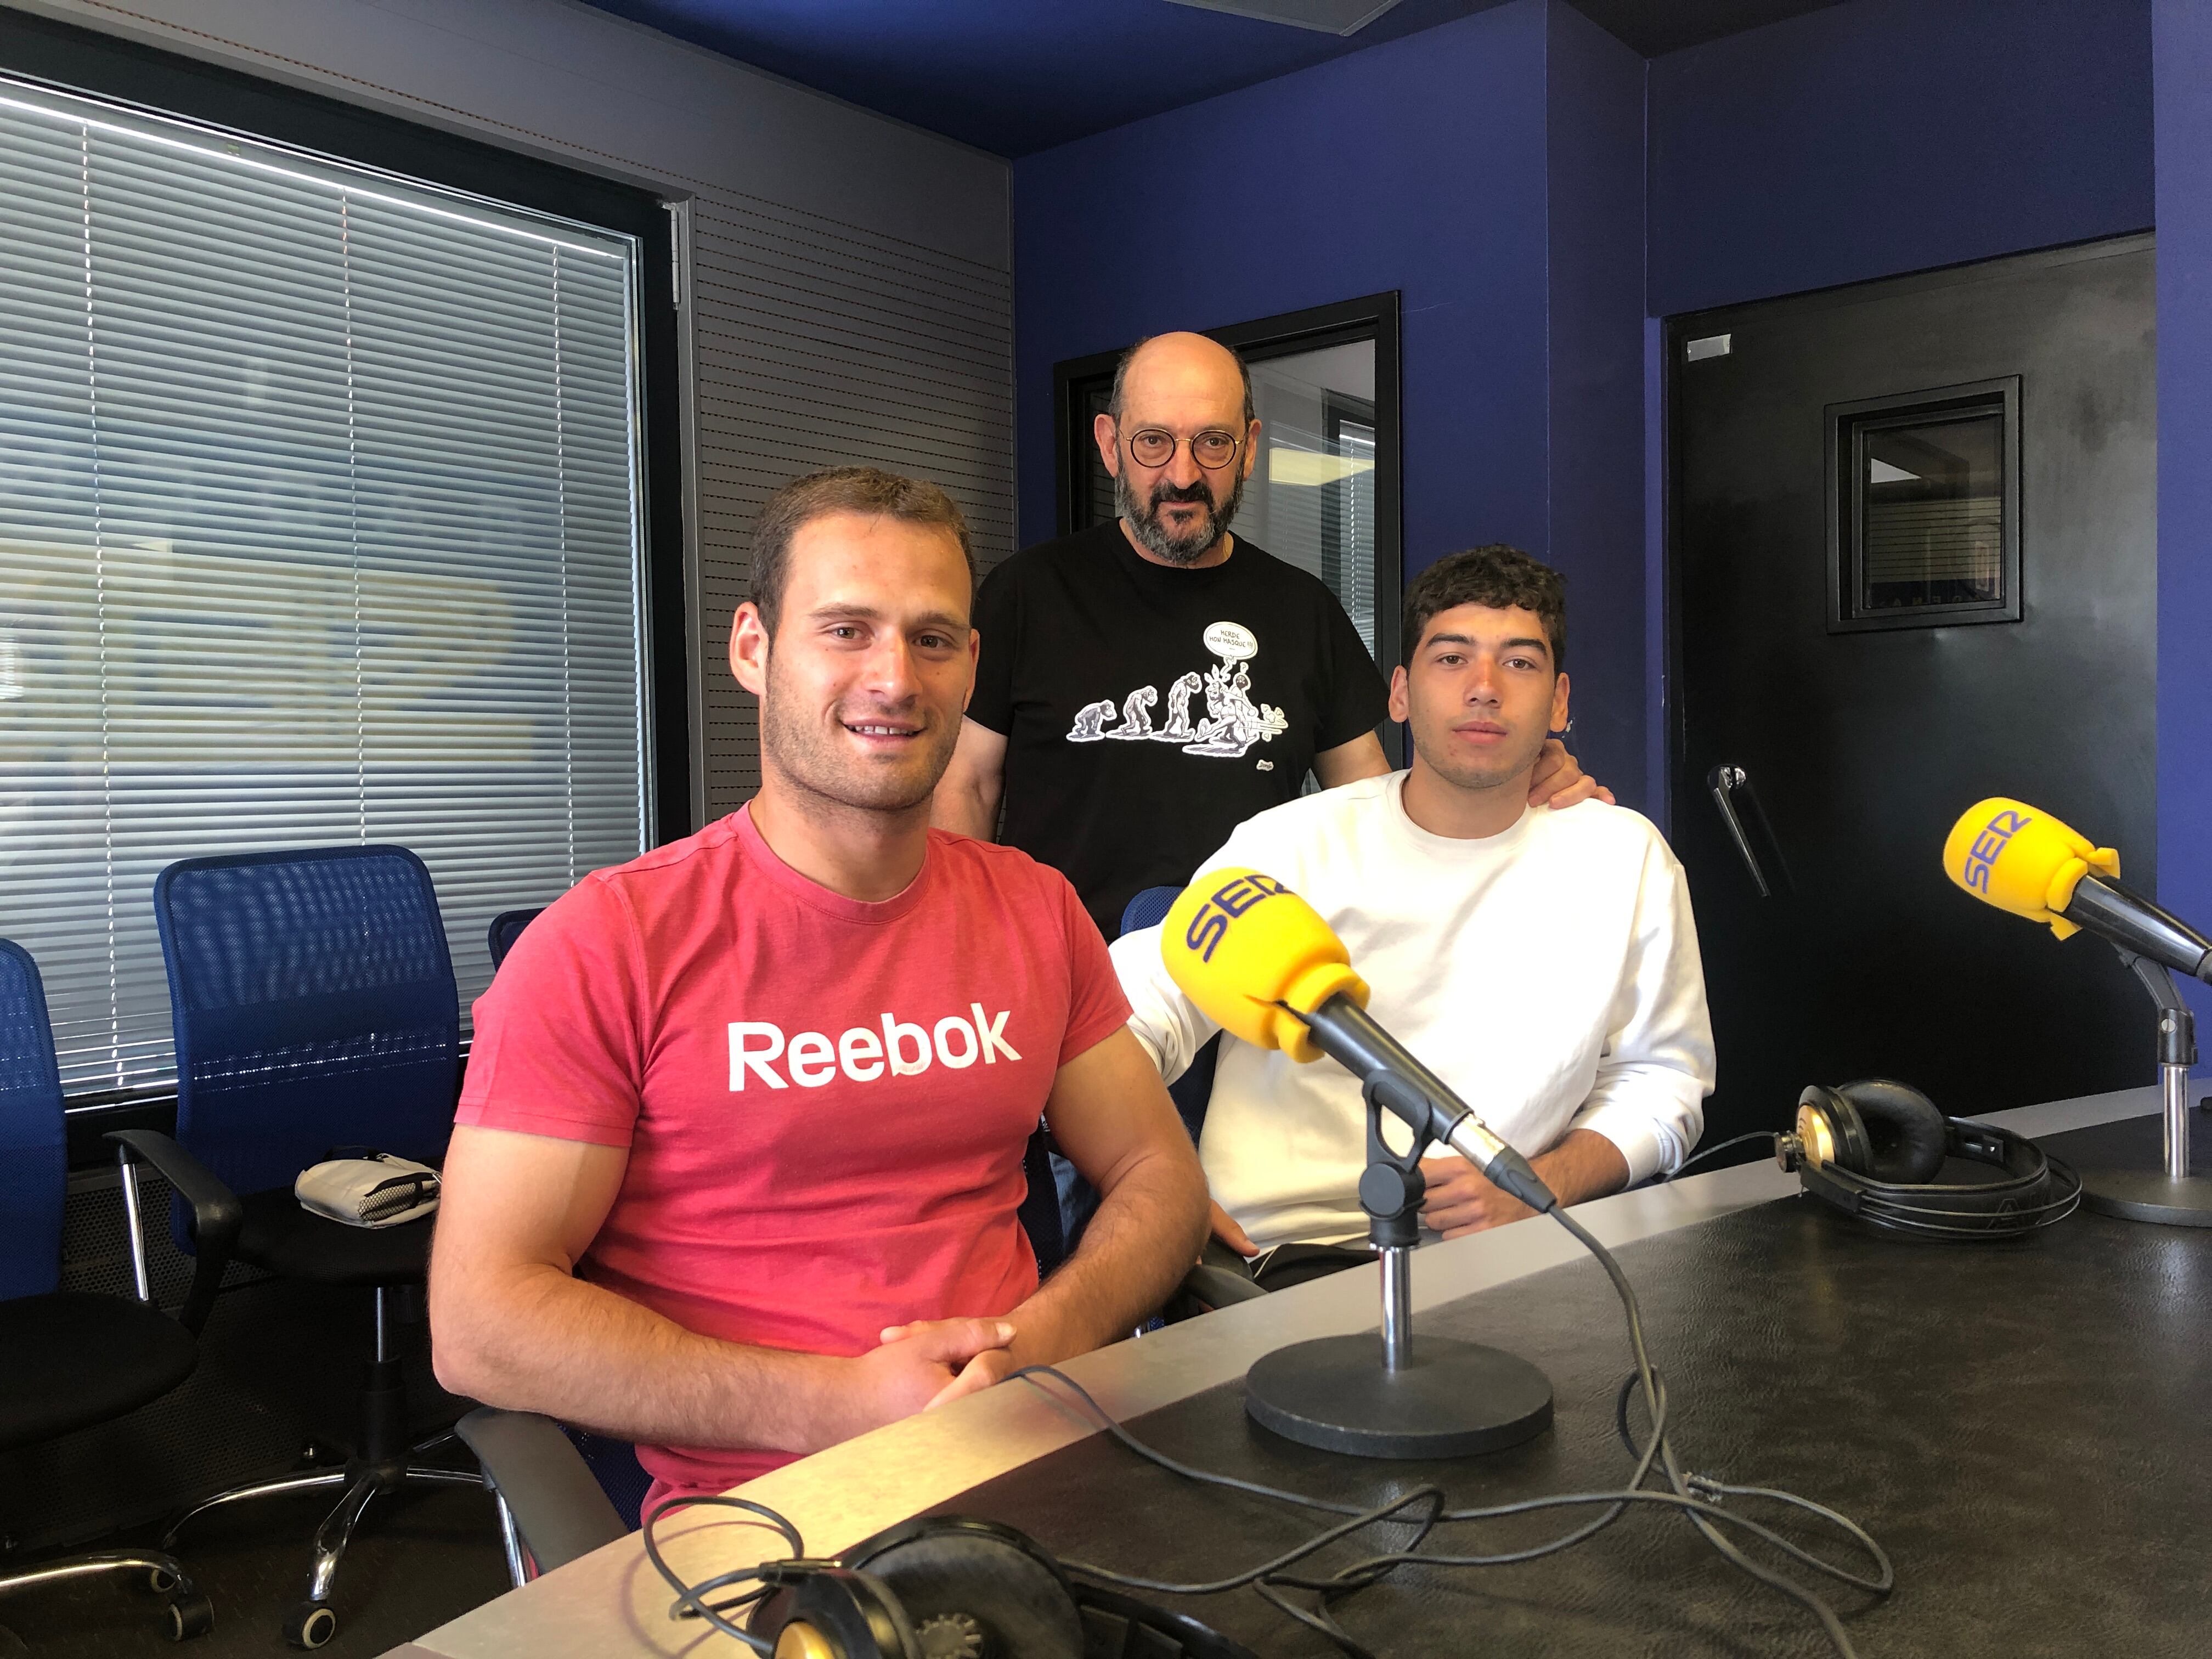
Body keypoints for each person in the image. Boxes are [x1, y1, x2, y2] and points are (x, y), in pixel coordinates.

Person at [429, 468, 1209, 1508]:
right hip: (766, 1515)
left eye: (932, 638)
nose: (894, 676)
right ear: (753, 647)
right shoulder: (608, 942)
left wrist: (1038, 1343)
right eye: (845, 629)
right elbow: (480, 1320)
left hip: (1029, 1456)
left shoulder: (1034, 908)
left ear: (971, 663)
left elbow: (1160, 1175)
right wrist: (838, 1402)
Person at [1111, 545, 1712, 1259]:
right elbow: (1127, 1018)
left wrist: (1538, 1189)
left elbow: (1663, 1080)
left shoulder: (1625, 860)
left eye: (1519, 662)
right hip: (1275, 1259)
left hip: (1502, 1256)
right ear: (1399, 693)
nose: (1485, 687)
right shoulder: (1291, 845)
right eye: (1451, 659)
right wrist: (1162, 1189)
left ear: (1559, 702)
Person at [934, 331, 1606, 938]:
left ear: (1250, 448)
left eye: (1213, 442)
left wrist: (1505, 781)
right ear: (1111, 445)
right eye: (1153, 441)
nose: (1184, 474)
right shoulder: (1027, 592)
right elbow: (965, 786)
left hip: (1249, 985)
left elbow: (1369, 804)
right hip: (1060, 971)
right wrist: (971, 942)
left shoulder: (1302, 609)